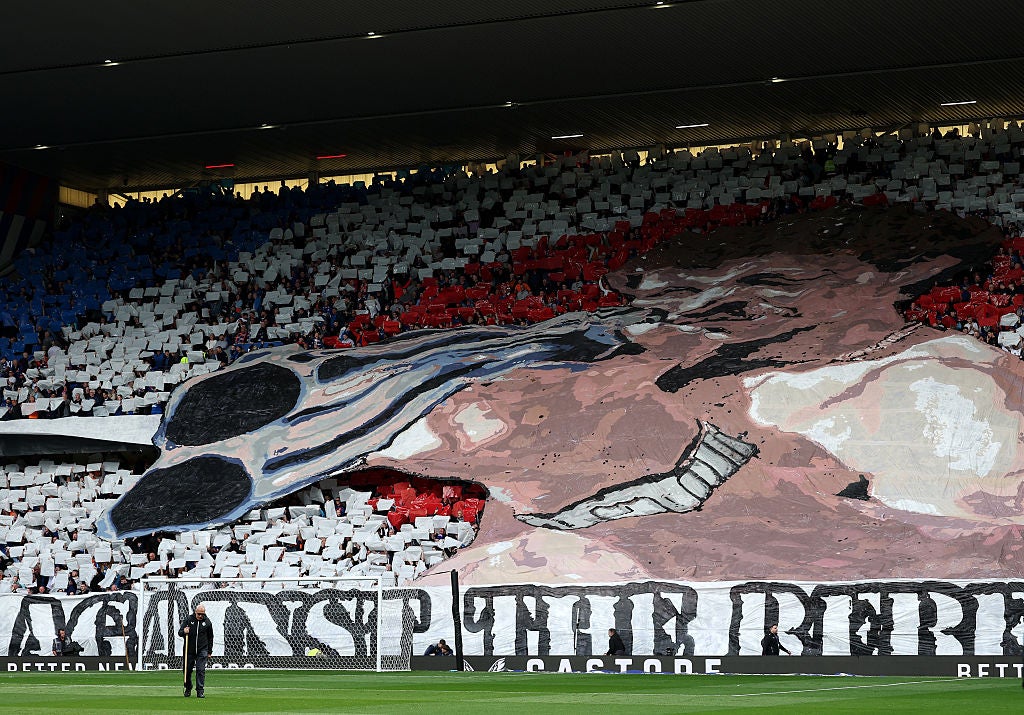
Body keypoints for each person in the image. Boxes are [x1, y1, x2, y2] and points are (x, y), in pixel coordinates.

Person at [178, 603, 214, 698]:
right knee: (187, 670)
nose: (201, 616)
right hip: (189, 650)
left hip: (202, 650)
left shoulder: (207, 622)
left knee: (200, 670)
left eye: (202, 614)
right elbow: (180, 632)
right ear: (195, 612)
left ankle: (200, 691)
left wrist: (209, 651)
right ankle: (188, 687)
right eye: (199, 614)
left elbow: (210, 637)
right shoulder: (189, 620)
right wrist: (184, 632)